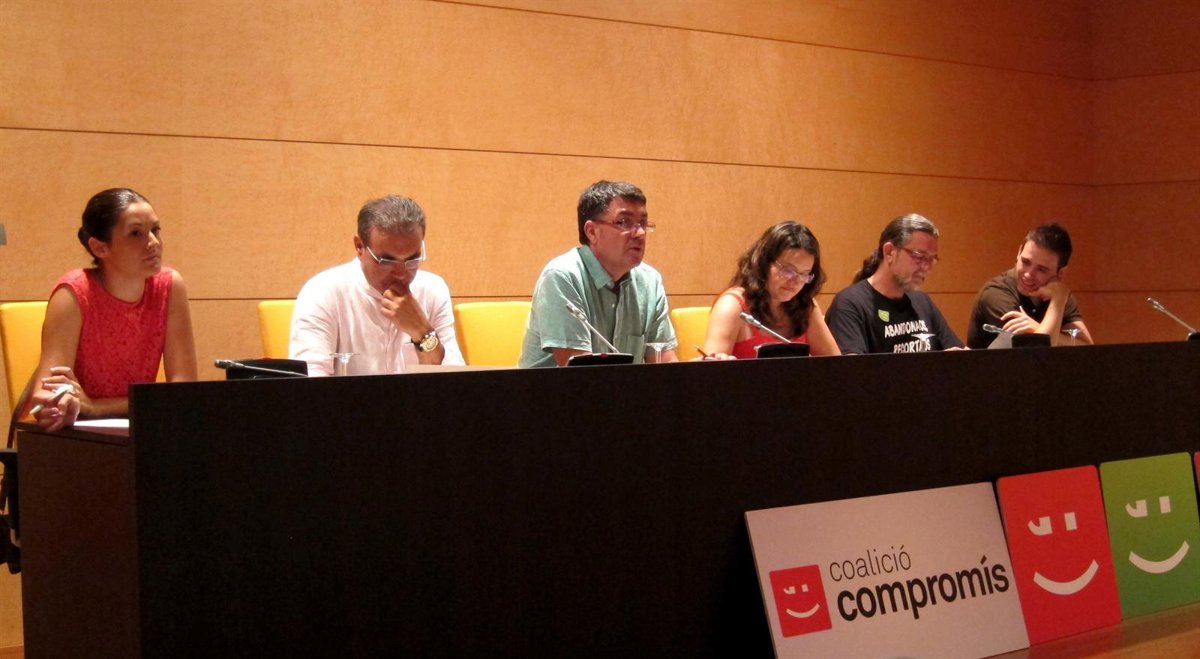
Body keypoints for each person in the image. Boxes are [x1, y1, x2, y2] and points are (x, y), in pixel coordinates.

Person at [29, 188, 197, 431]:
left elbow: (183, 393)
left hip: (138, 429)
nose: (153, 242)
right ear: (100, 248)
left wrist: (96, 407)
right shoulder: (73, 293)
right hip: (77, 433)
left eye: (156, 230)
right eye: (136, 233)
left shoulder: (169, 286)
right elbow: (48, 391)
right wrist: (58, 404)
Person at [290, 194, 463, 375]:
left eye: (412, 259)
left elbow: (456, 382)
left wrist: (422, 332)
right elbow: (310, 382)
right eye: (387, 261)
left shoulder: (433, 290)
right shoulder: (322, 293)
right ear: (359, 246)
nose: (401, 273)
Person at [519, 180, 677, 367]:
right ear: (592, 232)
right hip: (563, 386)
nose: (640, 233)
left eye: (642, 223)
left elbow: (664, 363)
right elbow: (582, 373)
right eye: (624, 222)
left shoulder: (650, 281)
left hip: (621, 386)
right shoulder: (562, 276)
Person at [825, 213, 964, 354]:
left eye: (931, 259)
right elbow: (853, 366)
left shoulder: (922, 301)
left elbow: (957, 353)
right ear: (889, 252)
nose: (927, 267)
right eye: (919, 257)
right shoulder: (850, 304)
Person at [703, 221, 840, 358]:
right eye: (788, 270)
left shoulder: (805, 306)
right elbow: (711, 368)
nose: (795, 282)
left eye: (804, 274)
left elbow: (836, 364)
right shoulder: (732, 306)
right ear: (763, 263)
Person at [966, 223, 1092, 349]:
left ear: (1060, 273)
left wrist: (1037, 326)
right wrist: (1058, 303)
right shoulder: (996, 293)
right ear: (1019, 252)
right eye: (1025, 262)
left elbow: (1086, 347)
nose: (1028, 274)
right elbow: (1038, 351)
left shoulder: (1057, 293)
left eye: (1041, 269)